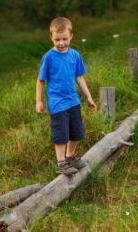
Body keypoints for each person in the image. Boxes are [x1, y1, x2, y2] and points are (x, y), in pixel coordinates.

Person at [36, 17, 97, 175]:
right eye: (57, 39)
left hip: (73, 101)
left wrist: (89, 97)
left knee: (77, 132)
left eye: (64, 39)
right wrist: (38, 101)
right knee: (61, 134)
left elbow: (79, 78)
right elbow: (40, 80)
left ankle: (70, 156)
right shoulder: (48, 57)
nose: (61, 43)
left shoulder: (75, 56)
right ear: (51, 37)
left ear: (71, 36)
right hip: (57, 103)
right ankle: (61, 163)